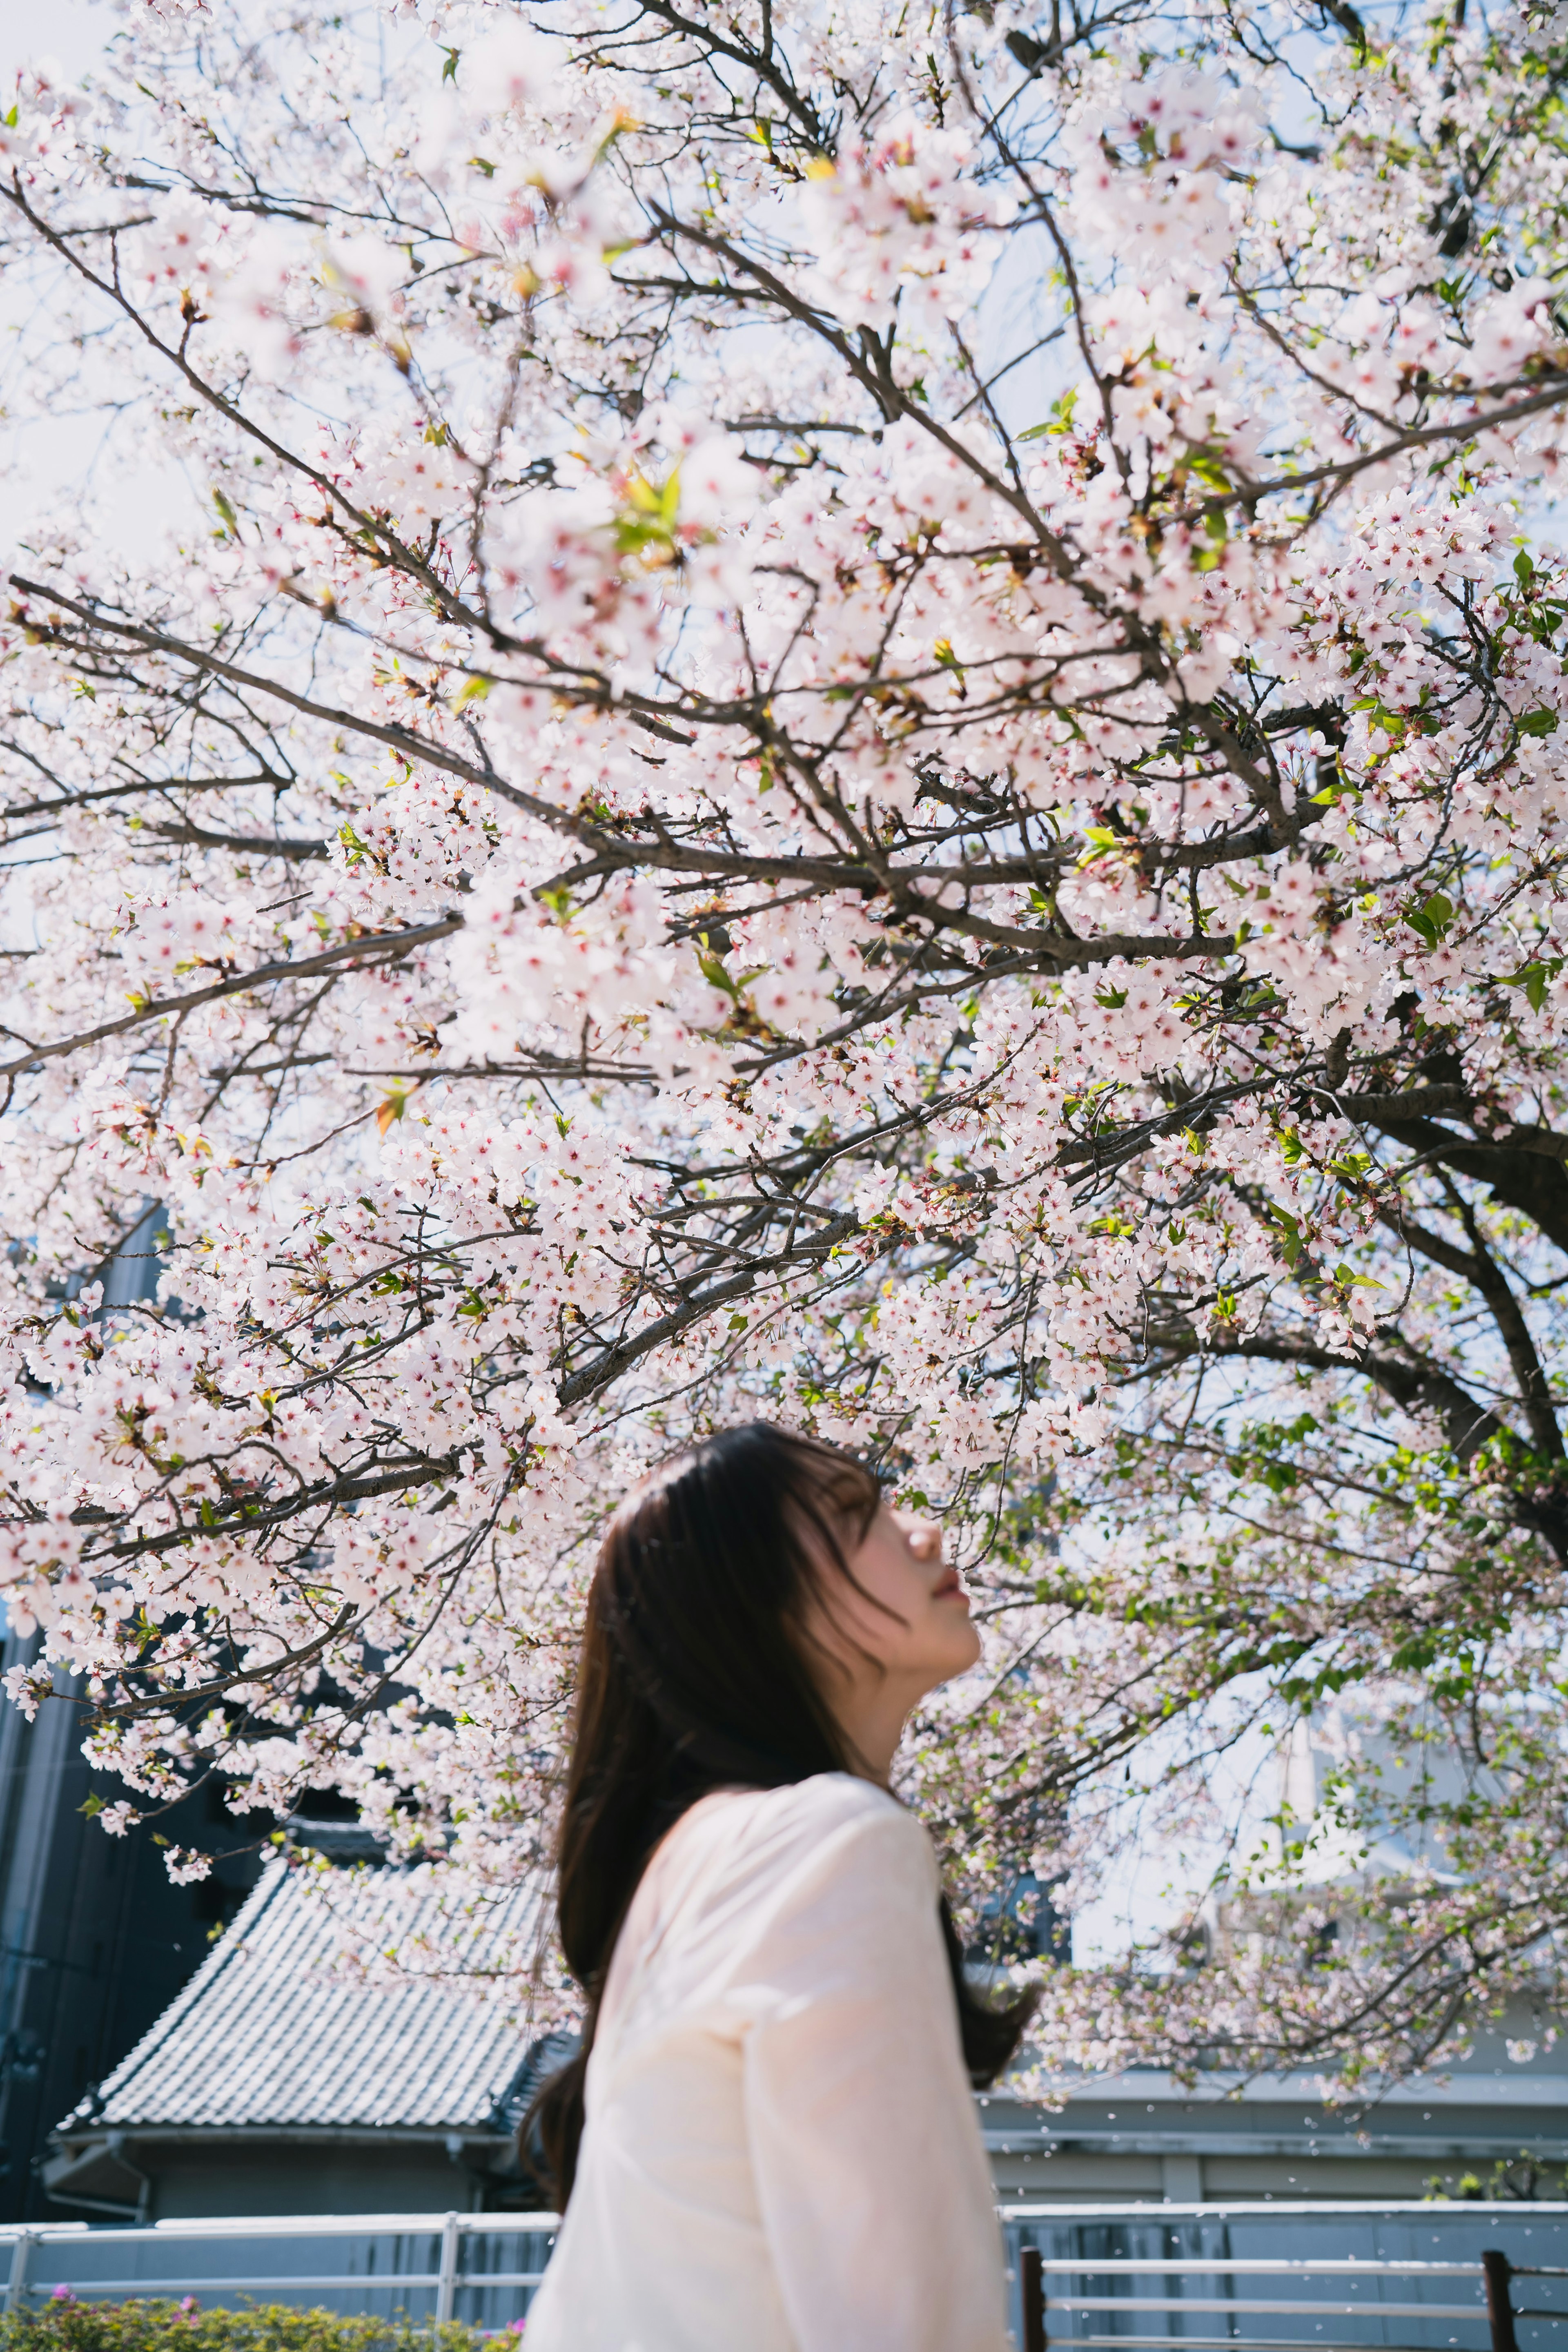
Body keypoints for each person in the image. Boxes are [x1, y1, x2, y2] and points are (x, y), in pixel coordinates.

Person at [521, 1421, 1036, 2352]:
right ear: (757, 1609)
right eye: (858, 1517)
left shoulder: (691, 1866)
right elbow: (901, 2318)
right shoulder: (827, 1840)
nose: (926, 1532)